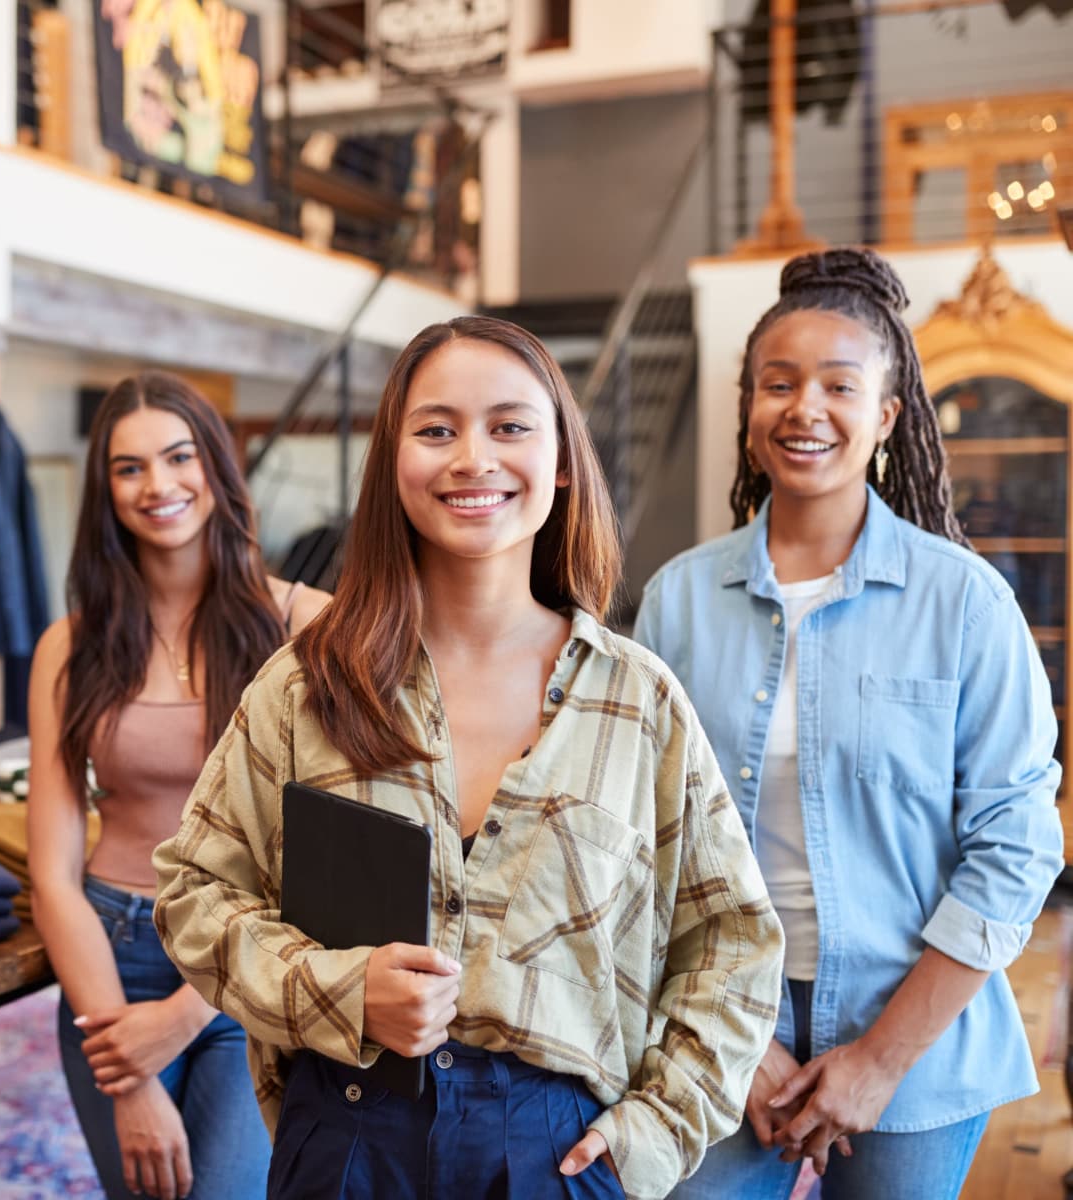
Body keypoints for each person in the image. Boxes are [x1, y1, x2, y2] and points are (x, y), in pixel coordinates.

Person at [152, 316, 785, 1200]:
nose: (472, 458)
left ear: (562, 460)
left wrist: (654, 1130)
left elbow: (731, 942)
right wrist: (337, 988)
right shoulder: (308, 683)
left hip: (554, 1150)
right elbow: (192, 891)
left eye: (510, 426)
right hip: (347, 1134)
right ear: (394, 459)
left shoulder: (636, 700)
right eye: (437, 429)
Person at [634, 248, 1064, 1200]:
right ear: (748, 413)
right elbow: (641, 845)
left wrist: (879, 1060)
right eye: (776, 384)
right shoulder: (676, 602)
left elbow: (1017, 845)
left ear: (886, 417)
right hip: (719, 1024)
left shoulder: (965, 603)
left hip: (919, 1032)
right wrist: (726, 1043)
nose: (804, 408)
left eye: (839, 384)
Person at [28, 370, 328, 1200]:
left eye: (178, 456)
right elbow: (52, 875)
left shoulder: (304, 624)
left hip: (250, 965)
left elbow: (328, 851)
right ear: (106, 490)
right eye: (129, 468)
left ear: (217, 469)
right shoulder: (71, 645)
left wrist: (188, 1011)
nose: (158, 485)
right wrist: (126, 1074)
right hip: (111, 958)